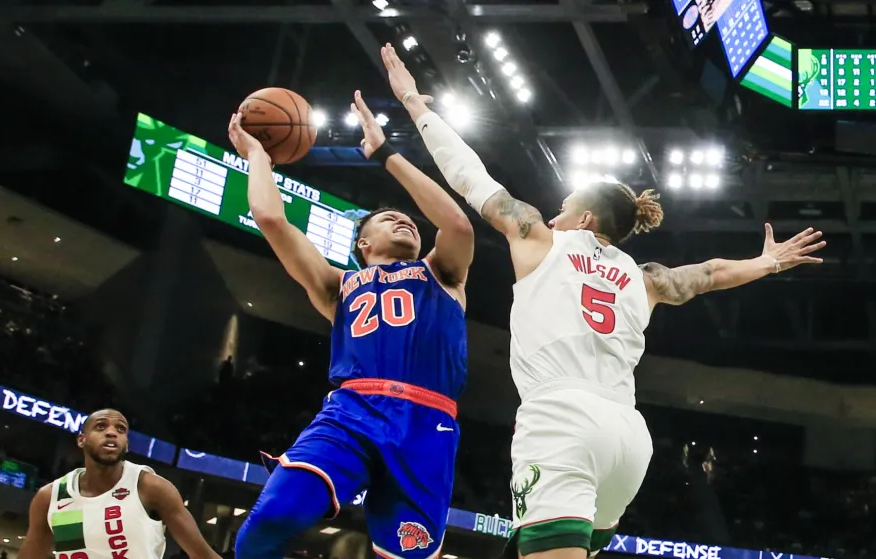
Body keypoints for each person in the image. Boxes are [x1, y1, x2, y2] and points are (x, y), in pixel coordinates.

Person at [379, 43, 827, 559]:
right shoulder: (645, 278)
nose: (551, 217)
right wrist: (768, 263)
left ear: (586, 220)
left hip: (560, 417)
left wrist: (416, 105)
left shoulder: (537, 240)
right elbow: (708, 274)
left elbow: (470, 176)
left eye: (563, 209)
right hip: (626, 437)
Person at [227, 86, 474, 559]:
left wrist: (386, 154)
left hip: (429, 421)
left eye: (408, 220)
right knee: (269, 521)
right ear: (363, 243)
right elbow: (270, 218)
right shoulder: (336, 284)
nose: (404, 220)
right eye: (388, 218)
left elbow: (458, 225)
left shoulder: (442, 272)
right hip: (352, 411)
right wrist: (258, 156)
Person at [19, 409, 221, 559]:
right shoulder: (50, 497)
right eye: (101, 426)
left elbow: (203, 555)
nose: (111, 432)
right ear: (81, 440)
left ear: (127, 444)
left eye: (120, 429)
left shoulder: (150, 487)